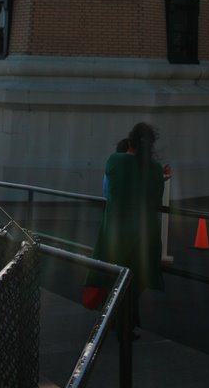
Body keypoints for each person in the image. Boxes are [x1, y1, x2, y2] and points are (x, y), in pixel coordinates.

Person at [86, 122, 165, 333]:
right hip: (144, 235)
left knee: (114, 278)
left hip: (115, 234)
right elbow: (156, 198)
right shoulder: (156, 169)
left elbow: (109, 189)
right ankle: (124, 325)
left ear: (130, 141)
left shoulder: (115, 161)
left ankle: (116, 323)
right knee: (135, 282)